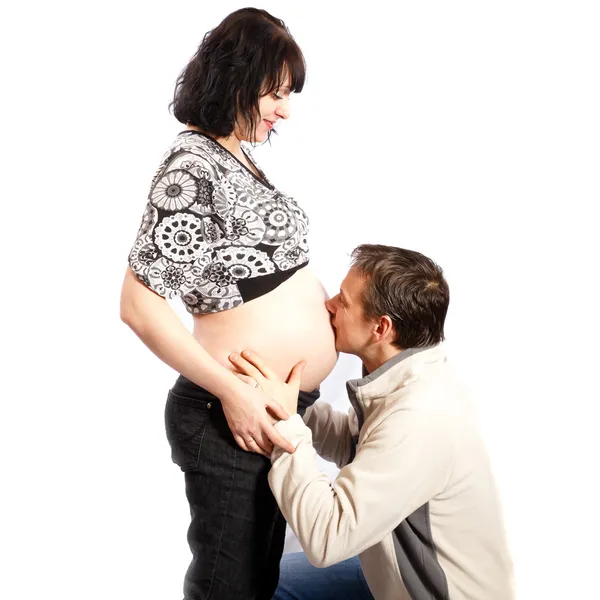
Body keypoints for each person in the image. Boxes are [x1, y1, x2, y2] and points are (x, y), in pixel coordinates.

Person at [119, 8, 337, 600]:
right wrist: (232, 391)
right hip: (225, 416)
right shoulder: (192, 164)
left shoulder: (238, 156)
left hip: (267, 409)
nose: (286, 110)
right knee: (229, 587)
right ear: (237, 76)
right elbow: (139, 306)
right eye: (278, 92)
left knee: (256, 582)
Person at [230, 244, 515, 600]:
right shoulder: (409, 381)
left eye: (344, 302)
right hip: (390, 569)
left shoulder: (420, 417)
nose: (330, 305)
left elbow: (326, 537)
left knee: (259, 590)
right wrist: (291, 397)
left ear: (381, 328)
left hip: (430, 593)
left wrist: (287, 424)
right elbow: (354, 445)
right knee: (262, 576)